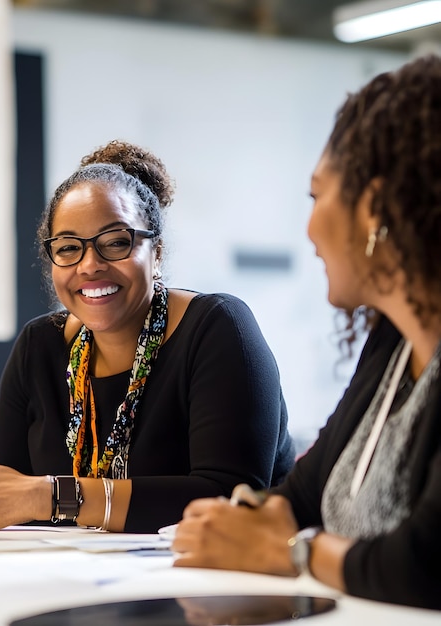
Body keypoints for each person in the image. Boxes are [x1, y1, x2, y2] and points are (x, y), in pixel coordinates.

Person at [171, 55, 441, 610]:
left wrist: (295, 552)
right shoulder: (394, 340)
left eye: (317, 197)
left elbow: (428, 563)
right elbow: (304, 493)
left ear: (372, 207)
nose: (310, 230)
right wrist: (244, 518)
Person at [0, 140, 295, 534]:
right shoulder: (39, 347)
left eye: (116, 242)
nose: (90, 265)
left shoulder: (217, 327)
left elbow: (228, 499)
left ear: (158, 253)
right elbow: (10, 498)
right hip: (76, 580)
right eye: (68, 248)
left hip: (215, 580)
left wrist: (48, 495)